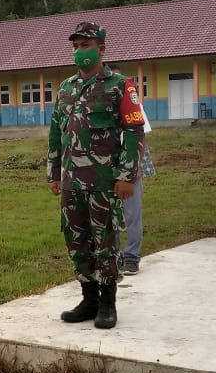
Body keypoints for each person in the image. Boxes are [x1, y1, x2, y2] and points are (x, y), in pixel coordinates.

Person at [48, 21, 145, 330]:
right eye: (75, 46)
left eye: (85, 46)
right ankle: (88, 298)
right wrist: (53, 172)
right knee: (76, 240)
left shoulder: (120, 85)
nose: (79, 52)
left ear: (101, 49)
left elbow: (134, 130)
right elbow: (55, 132)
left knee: (105, 241)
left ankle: (107, 302)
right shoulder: (66, 88)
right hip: (71, 181)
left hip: (104, 180)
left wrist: (127, 175)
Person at [107, 63, 155, 276]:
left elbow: (140, 136)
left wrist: (135, 166)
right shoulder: (102, 102)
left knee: (132, 213)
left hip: (130, 162)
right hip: (108, 167)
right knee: (112, 215)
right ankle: (115, 256)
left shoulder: (132, 101)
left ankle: (132, 257)